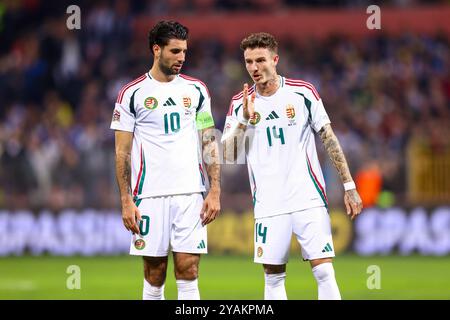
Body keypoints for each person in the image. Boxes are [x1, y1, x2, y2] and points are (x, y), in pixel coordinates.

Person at [221, 32, 363, 300]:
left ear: (275, 59)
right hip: (268, 202)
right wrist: (245, 120)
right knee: (273, 278)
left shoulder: (302, 92)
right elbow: (228, 155)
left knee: (324, 272)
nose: (254, 67)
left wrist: (349, 185)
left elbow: (328, 138)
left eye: (260, 60)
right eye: (249, 61)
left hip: (306, 195)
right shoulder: (239, 103)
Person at [111, 21, 221, 300]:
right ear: (156, 50)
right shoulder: (131, 94)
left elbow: (209, 140)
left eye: (184, 51)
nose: (181, 58)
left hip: (190, 194)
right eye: (175, 51)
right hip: (149, 195)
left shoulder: (197, 90)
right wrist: (126, 200)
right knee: (155, 273)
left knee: (189, 270)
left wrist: (215, 189)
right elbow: (122, 152)